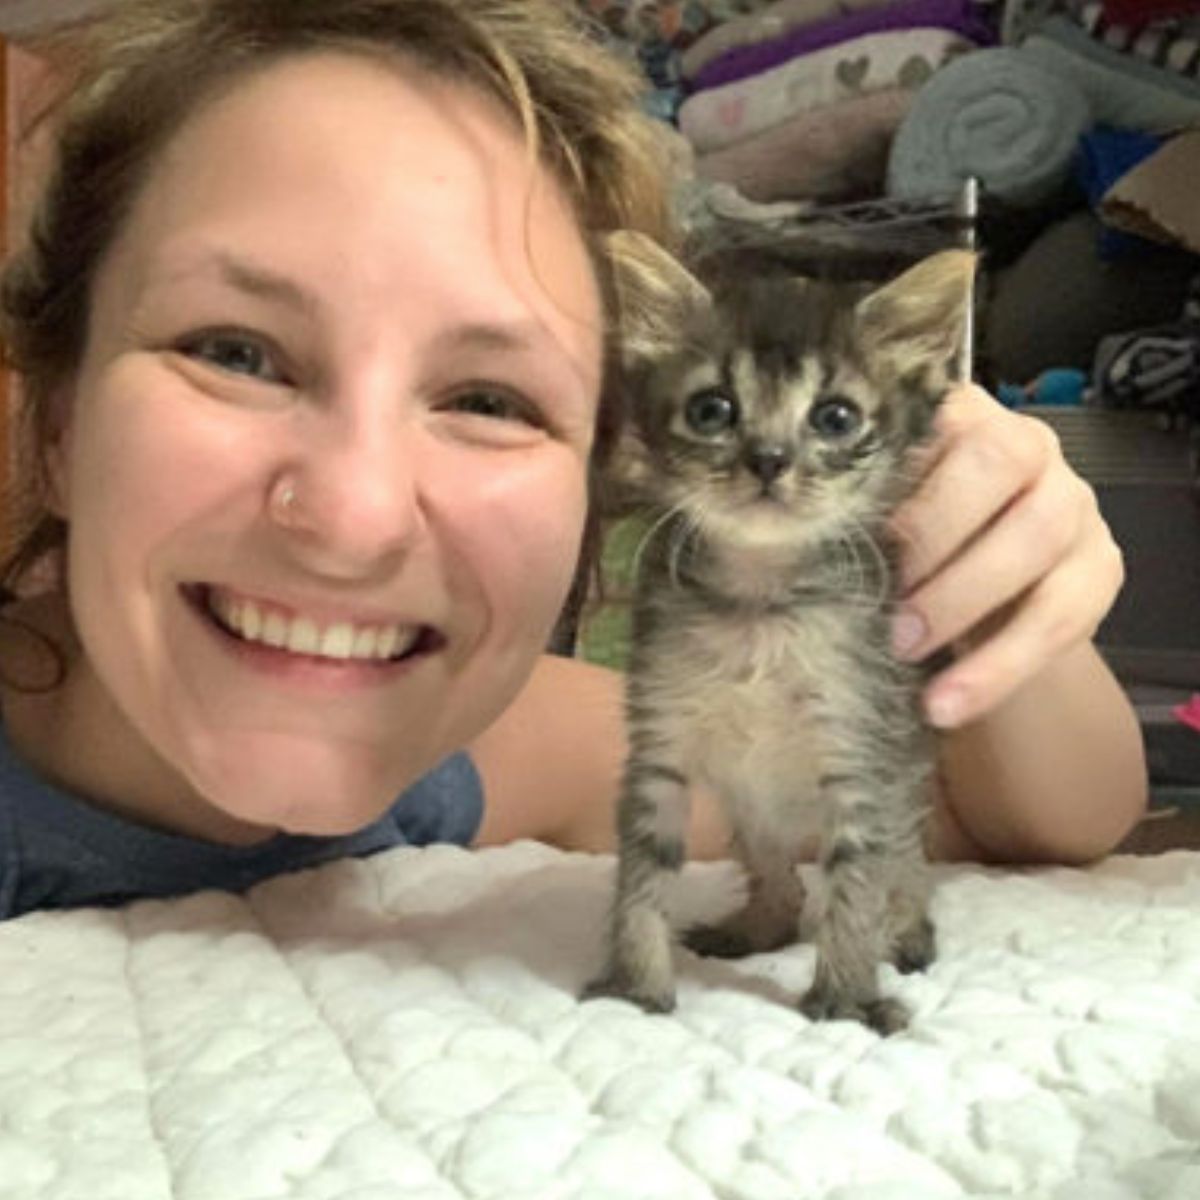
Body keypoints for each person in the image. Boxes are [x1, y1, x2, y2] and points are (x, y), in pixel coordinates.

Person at [0, 0, 1146, 921]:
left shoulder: (465, 751)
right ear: (53, 422)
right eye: (236, 353)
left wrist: (997, 585)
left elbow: (1018, 815)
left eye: (488, 400)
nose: (353, 515)